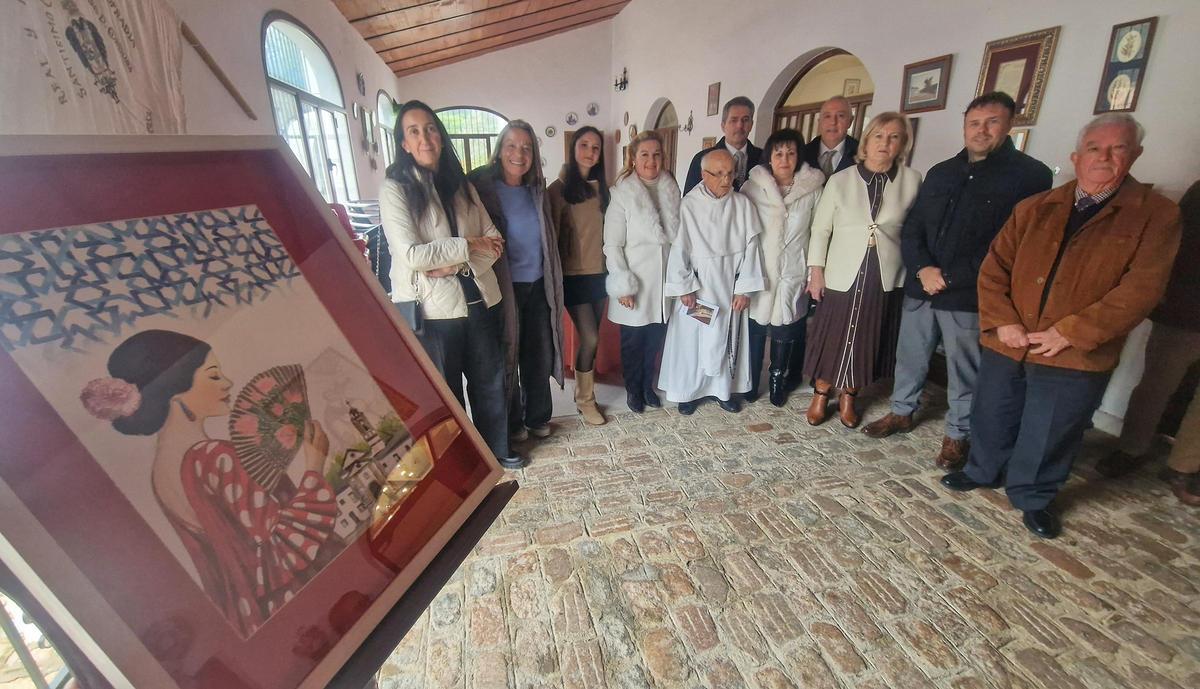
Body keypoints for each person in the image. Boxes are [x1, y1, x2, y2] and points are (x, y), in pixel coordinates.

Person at [942, 113, 1182, 539]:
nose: (1104, 157)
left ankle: (1032, 496)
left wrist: (1070, 332)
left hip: (1076, 347)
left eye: (1118, 148)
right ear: (1076, 155)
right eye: (1094, 148)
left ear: (1135, 155)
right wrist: (1004, 322)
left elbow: (1142, 289)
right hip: (1010, 339)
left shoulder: (1155, 215)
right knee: (992, 412)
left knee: (1052, 427)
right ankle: (981, 469)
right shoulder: (1035, 208)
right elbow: (993, 268)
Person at [80, 330, 336, 637]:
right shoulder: (213, 457)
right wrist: (315, 467)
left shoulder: (161, 472)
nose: (227, 382)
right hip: (291, 603)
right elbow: (280, 548)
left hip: (249, 615)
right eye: (213, 376)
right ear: (174, 390)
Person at [862, 92, 1052, 470]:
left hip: (969, 293)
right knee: (911, 357)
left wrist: (948, 276)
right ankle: (902, 411)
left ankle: (958, 434)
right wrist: (922, 269)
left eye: (992, 122)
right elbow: (913, 226)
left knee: (965, 368)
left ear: (1010, 124)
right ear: (965, 125)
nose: (981, 130)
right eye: (974, 123)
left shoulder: (1030, 176)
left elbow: (1011, 243)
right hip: (921, 285)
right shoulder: (942, 171)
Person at [380, 100, 525, 468]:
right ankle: (461, 461)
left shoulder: (460, 185)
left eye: (430, 128)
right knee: (447, 391)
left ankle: (497, 449)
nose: (424, 137)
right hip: (433, 309)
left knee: (489, 381)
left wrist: (455, 258)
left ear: (440, 137)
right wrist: (468, 246)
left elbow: (494, 241)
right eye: (413, 131)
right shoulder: (395, 189)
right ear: (404, 143)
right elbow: (412, 254)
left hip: (478, 297)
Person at [804, 112, 922, 428]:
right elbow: (820, 229)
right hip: (843, 270)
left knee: (867, 335)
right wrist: (816, 270)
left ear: (903, 144)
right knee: (832, 332)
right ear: (866, 141)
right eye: (879, 136)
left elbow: (915, 229)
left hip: (884, 271)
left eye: (894, 137)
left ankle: (849, 396)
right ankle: (821, 392)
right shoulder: (841, 180)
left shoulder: (912, 181)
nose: (885, 143)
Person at [1095, 178, 1200, 505]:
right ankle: (1132, 447)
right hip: (1187, 310)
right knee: (1156, 384)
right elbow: (1176, 249)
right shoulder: (1198, 193)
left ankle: (1184, 465)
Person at [468, 120, 566, 443]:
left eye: (526, 147)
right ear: (499, 150)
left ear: (534, 155)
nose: (518, 153)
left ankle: (537, 415)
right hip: (503, 288)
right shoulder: (482, 189)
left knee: (538, 353)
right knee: (508, 352)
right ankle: (512, 423)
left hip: (538, 285)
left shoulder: (537, 189)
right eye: (511, 145)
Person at [658, 149, 765, 414]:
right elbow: (679, 249)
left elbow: (753, 249)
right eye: (719, 174)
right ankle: (688, 393)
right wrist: (684, 286)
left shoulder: (742, 205)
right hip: (699, 286)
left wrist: (744, 289)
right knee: (692, 341)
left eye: (730, 173)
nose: (726, 179)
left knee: (725, 336)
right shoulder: (689, 205)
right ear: (704, 175)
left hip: (729, 285)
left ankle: (722, 391)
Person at [740, 128, 824, 406]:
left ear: (798, 156)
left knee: (786, 327)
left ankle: (779, 378)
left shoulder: (813, 188)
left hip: (793, 269)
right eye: (779, 153)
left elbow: (819, 230)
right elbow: (742, 230)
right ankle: (749, 381)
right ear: (770, 156)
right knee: (755, 326)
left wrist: (814, 270)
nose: (784, 159)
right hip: (759, 268)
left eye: (790, 153)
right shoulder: (754, 186)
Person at [604, 130, 682, 413]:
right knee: (633, 341)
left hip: (663, 282)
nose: (651, 160)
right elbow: (612, 245)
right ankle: (633, 389)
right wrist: (623, 285)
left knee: (655, 338)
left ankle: (647, 385)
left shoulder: (671, 188)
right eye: (645, 154)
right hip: (636, 281)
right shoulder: (623, 193)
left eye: (656, 154)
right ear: (633, 158)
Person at [548, 126, 611, 426]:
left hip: (601, 274)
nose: (589, 151)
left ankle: (583, 395)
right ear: (573, 149)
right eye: (584, 145)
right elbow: (552, 239)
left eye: (595, 147)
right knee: (590, 336)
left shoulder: (605, 188)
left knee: (591, 341)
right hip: (572, 276)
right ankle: (586, 400)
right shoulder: (557, 190)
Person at [684, 96, 762, 194]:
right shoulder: (701, 159)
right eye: (734, 120)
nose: (740, 125)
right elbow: (690, 202)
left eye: (745, 120)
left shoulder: (763, 158)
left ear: (751, 125)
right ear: (723, 125)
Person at [804, 96, 860, 181]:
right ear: (819, 122)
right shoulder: (802, 153)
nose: (833, 122)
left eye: (840, 116)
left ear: (850, 121)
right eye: (827, 116)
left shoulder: (863, 155)